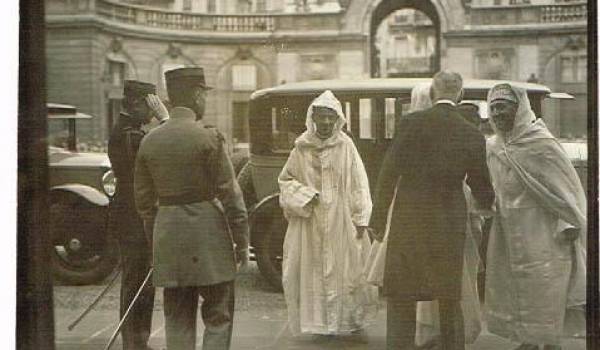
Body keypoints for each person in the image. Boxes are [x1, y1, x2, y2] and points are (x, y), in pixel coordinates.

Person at [370, 71, 495, 350]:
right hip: (448, 221)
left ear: (432, 93)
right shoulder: (472, 134)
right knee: (449, 296)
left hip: (409, 218)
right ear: (460, 95)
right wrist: (488, 206)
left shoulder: (410, 123)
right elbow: (481, 185)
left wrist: (377, 218)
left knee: (402, 294)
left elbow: (388, 173)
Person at [134, 67, 250, 350]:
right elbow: (231, 196)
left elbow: (144, 204)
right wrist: (241, 241)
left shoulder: (149, 141)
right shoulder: (209, 138)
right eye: (204, 95)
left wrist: (156, 240)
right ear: (197, 95)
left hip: (169, 239)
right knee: (218, 316)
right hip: (209, 239)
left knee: (177, 319)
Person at [484, 83, 586, 350]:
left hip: (543, 230)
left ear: (518, 109)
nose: (496, 113)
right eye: (492, 108)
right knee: (516, 289)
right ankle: (527, 340)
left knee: (544, 288)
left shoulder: (541, 143)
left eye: (502, 106)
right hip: (507, 229)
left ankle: (549, 343)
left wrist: (568, 221)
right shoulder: (493, 146)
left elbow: (567, 190)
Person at [278, 90, 378, 338]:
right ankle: (321, 325)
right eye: (320, 117)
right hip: (310, 222)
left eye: (329, 118)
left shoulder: (346, 146)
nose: (324, 122)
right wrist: (305, 196)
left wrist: (361, 217)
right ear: (313, 118)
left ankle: (350, 323)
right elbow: (285, 180)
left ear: (337, 120)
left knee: (348, 271)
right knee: (313, 271)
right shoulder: (301, 148)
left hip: (341, 220)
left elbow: (358, 182)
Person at [107, 80, 168, 350]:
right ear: (135, 103)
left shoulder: (126, 130)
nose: (152, 111)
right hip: (134, 216)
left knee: (139, 280)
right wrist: (165, 120)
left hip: (130, 213)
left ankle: (136, 342)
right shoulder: (132, 135)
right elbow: (160, 155)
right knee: (138, 281)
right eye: (149, 104)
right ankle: (134, 343)